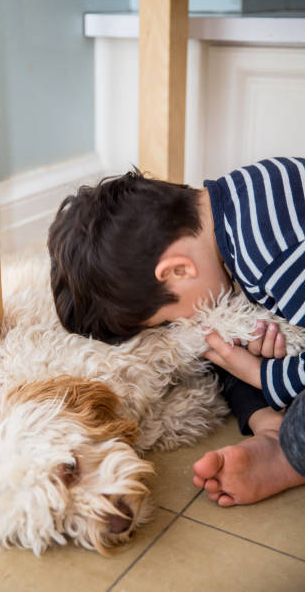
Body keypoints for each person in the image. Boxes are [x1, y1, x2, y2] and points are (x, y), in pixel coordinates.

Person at [47, 158, 305, 506]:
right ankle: (269, 427)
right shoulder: (241, 199)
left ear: (179, 271)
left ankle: (287, 457)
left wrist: (263, 376)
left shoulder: (271, 252)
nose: (181, 326)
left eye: (166, 320)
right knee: (223, 350)